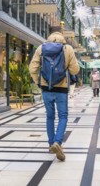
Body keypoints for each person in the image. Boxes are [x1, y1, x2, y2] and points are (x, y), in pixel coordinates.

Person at [29, 26, 80, 161]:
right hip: (61, 89)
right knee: (63, 116)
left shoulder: (41, 48)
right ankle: (58, 142)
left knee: (50, 116)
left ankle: (51, 144)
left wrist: (38, 82)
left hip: (46, 88)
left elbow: (32, 68)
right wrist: (67, 67)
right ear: (61, 34)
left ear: (49, 34)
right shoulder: (67, 48)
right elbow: (75, 70)